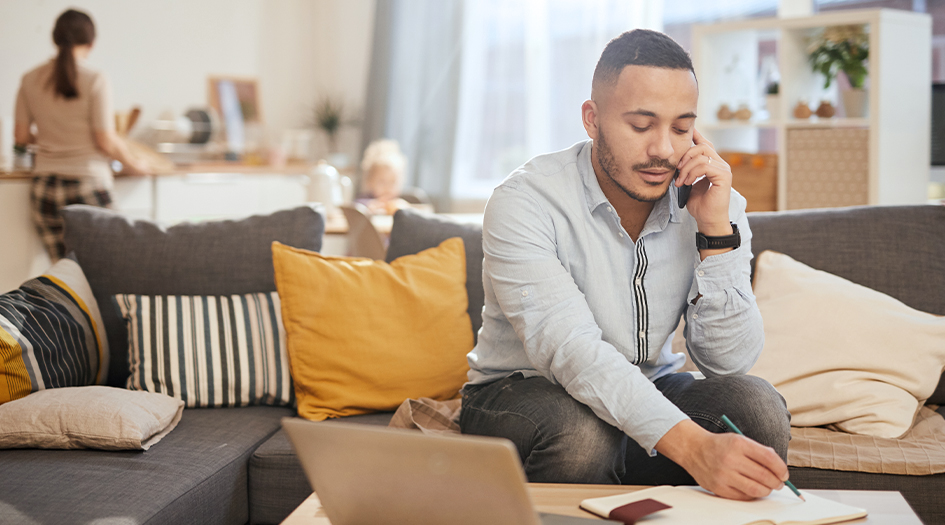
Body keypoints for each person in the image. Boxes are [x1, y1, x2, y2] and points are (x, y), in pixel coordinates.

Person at [460, 29, 792, 501]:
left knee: (756, 407)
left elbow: (730, 362)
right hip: (522, 396)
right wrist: (695, 448)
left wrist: (715, 233)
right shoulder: (525, 201)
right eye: (641, 126)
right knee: (581, 435)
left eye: (681, 128)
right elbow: (572, 352)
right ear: (592, 120)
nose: (663, 149)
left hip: (647, 386)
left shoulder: (716, 204)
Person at [14, 9, 149, 261]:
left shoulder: (29, 79)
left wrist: (50, 137)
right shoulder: (95, 79)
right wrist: (135, 164)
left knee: (65, 275)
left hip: (44, 188)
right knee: (115, 266)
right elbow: (104, 139)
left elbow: (20, 136)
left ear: (55, 39)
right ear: (91, 43)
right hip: (87, 185)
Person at [357, 139, 409, 215]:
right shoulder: (365, 200)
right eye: (382, 182)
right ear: (370, 181)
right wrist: (371, 205)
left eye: (393, 182)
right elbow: (355, 207)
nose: (387, 187)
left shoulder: (398, 203)